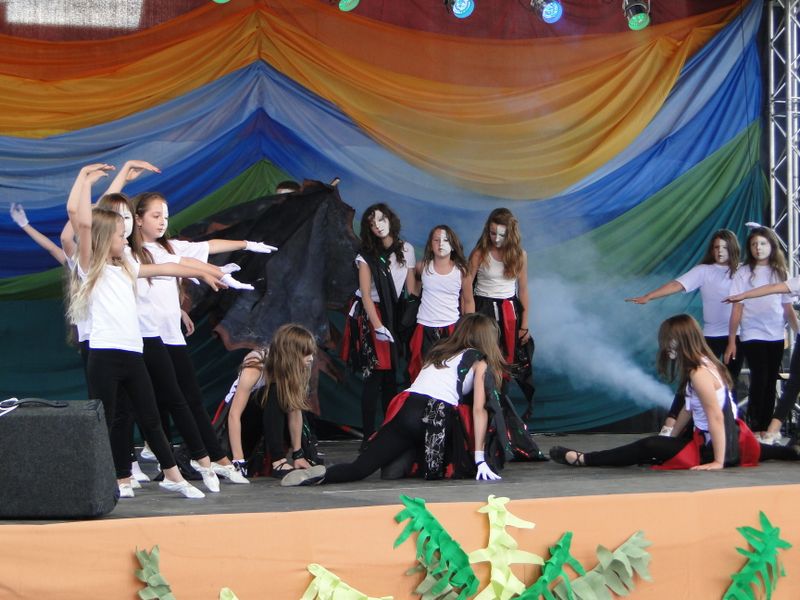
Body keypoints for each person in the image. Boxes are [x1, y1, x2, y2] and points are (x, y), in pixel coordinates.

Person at [66, 163, 227, 499]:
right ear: (103, 239)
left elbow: (167, 266)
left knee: (151, 417)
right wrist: (84, 179)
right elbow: (80, 220)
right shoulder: (89, 267)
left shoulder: (127, 264)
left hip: (133, 352)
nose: (124, 240)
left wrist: (206, 272)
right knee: (107, 418)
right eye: (118, 236)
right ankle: (111, 477)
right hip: (104, 354)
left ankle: (173, 476)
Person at [127, 191, 266, 487]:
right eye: (156, 216)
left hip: (170, 335)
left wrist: (246, 244)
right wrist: (212, 272)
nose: (162, 222)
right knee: (160, 400)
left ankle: (213, 459)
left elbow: (208, 246)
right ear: (137, 219)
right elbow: (179, 265)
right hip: (144, 336)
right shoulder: (132, 252)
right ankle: (178, 460)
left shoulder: (168, 245)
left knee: (187, 398)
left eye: (166, 217)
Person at [548, 314, 800, 469]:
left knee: (648, 446)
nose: (666, 345)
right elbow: (688, 411)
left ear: (684, 340)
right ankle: (791, 452)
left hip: (718, 443)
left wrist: (718, 461)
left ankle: (586, 459)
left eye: (670, 340)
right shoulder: (700, 365)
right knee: (769, 452)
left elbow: (715, 416)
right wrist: (670, 440)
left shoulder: (700, 372)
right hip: (722, 438)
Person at [283, 313, 506, 486]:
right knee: (451, 463)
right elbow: (479, 410)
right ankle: (418, 461)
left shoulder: (440, 351)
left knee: (360, 468)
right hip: (435, 416)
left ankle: (320, 476)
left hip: (407, 409)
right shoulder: (479, 361)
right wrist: (479, 457)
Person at [626, 230, 743, 435]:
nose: (720, 251)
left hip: (736, 336)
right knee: (690, 380)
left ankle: (730, 429)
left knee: (729, 382)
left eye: (724, 247)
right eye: (716, 247)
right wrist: (649, 296)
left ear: (733, 249)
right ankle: (671, 424)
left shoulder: (742, 272)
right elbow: (676, 284)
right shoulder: (704, 271)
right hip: (710, 336)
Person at [341, 203, 417, 447]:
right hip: (372, 315)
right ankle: (368, 437)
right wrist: (377, 326)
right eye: (372, 223)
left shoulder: (407, 250)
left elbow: (411, 289)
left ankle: (389, 432)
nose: (378, 226)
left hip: (394, 315)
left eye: (381, 219)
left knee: (391, 377)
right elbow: (365, 294)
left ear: (390, 220)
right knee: (374, 376)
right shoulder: (366, 256)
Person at [724, 226, 798, 435]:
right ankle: (755, 425)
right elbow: (737, 308)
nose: (758, 248)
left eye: (763, 244)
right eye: (754, 244)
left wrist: (797, 330)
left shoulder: (781, 272)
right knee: (760, 377)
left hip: (775, 333)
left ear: (772, 246)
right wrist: (732, 339)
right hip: (751, 333)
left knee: (771, 379)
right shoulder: (743, 272)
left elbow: (787, 308)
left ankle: (766, 428)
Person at [225, 324, 320, 479]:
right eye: (306, 354)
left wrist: (298, 454)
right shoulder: (255, 366)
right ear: (291, 354)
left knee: (287, 396)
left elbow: (295, 410)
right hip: (241, 426)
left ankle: (287, 458)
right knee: (276, 391)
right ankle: (278, 461)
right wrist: (238, 460)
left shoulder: (297, 369)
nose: (310, 358)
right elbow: (233, 415)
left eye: (311, 353)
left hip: (268, 421)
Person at [464, 208, 533, 414]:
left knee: (505, 361)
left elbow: (523, 289)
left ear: (510, 233)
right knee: (482, 358)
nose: (496, 238)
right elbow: (466, 285)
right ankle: (479, 407)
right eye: (492, 233)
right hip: (483, 309)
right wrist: (468, 318)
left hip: (509, 311)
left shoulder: (520, 255)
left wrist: (524, 324)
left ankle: (499, 411)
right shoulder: (479, 253)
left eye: (501, 234)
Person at [407, 225, 472, 380]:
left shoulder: (462, 271)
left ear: (453, 245)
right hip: (424, 327)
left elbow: (469, 301)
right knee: (422, 372)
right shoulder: (422, 267)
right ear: (431, 244)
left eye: (446, 240)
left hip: (451, 328)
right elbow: (413, 288)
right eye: (436, 240)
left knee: (448, 373)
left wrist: (468, 331)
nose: (441, 244)